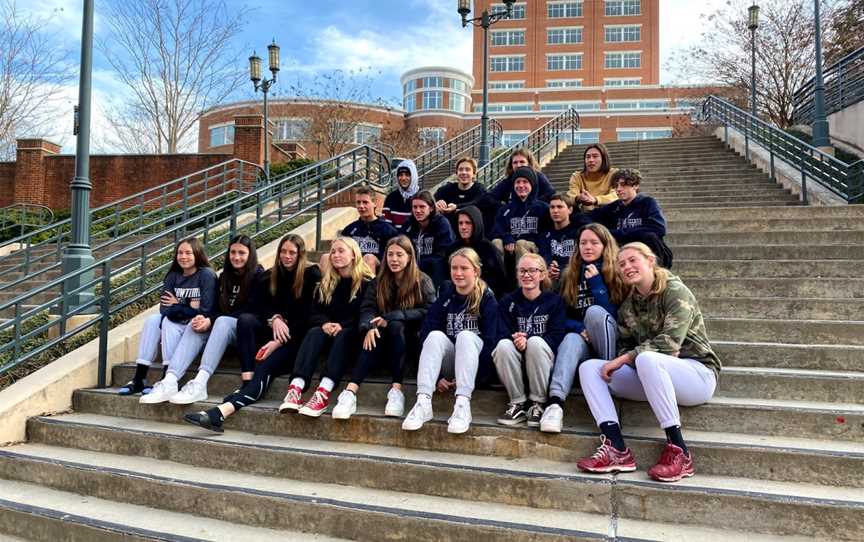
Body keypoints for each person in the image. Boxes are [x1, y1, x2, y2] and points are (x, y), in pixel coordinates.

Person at [576, 242, 721, 482]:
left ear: (650, 261)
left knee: (647, 359)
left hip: (697, 374)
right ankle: (617, 449)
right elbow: (626, 344)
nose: (627, 267)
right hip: (653, 375)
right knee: (590, 368)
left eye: (633, 260)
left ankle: (679, 451)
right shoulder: (629, 305)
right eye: (622, 264)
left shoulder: (675, 291)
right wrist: (639, 356)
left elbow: (670, 342)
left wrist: (633, 357)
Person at [184, 234, 321, 432]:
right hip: (273, 334)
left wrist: (278, 342)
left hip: (296, 341)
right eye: (283, 251)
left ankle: (219, 413)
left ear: (301, 254)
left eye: (292, 252)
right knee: (246, 320)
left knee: (264, 370)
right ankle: (235, 394)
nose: (287, 256)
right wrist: (274, 318)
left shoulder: (312, 274)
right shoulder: (272, 275)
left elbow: (309, 316)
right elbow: (258, 306)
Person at [332, 236, 436, 420]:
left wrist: (399, 315)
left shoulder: (422, 280)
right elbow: (367, 309)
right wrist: (368, 327)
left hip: (409, 340)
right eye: (390, 255)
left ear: (410, 257)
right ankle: (350, 392)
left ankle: (397, 391)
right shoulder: (378, 281)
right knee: (372, 334)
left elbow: (430, 311)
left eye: (399, 255)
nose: (394, 259)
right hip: (382, 339)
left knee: (396, 326)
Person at [539, 223, 626, 433]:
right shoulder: (570, 274)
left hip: (611, 343)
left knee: (595, 313)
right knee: (570, 339)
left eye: (594, 243)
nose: (588, 247)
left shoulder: (617, 272)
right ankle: (555, 403)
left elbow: (614, 315)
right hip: (584, 342)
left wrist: (596, 283)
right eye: (583, 243)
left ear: (606, 246)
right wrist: (578, 328)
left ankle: (607, 382)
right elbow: (559, 317)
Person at [402, 248, 498, 435]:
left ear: (476, 271)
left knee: (466, 336)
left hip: (476, 368)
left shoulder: (488, 300)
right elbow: (426, 333)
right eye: (454, 268)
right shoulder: (446, 298)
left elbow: (491, 343)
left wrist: (473, 379)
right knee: (434, 336)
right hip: (451, 365)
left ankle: (462, 405)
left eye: (464, 268)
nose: (458, 273)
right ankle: (423, 401)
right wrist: (438, 378)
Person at [278, 237, 375, 417]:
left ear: (353, 254)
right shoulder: (327, 282)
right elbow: (313, 312)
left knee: (345, 333)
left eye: (341, 251)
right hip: (328, 333)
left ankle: (323, 392)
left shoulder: (367, 282)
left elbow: (365, 313)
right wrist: (325, 323)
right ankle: (296, 389)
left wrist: (341, 325)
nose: (336, 255)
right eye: (333, 252)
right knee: (314, 331)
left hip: (352, 336)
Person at [166, 235, 265, 405]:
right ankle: (170, 378)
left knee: (221, 321)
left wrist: (213, 320)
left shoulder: (259, 275)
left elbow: (253, 310)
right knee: (196, 323)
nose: (236, 257)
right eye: (233, 252)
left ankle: (200, 383)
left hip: (247, 333)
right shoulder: (224, 276)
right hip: (222, 329)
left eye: (242, 253)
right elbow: (216, 309)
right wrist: (205, 319)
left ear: (251, 255)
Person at [119, 238, 217, 397]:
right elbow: (165, 309)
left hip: (197, 325)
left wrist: (177, 303)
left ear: (197, 254)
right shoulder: (173, 276)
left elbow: (206, 310)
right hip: (177, 320)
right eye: (180, 253)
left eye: (188, 253)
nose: (183, 257)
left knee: (168, 323)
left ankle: (167, 377)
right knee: (153, 321)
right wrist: (189, 305)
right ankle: (139, 378)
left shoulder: (206, 275)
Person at [493, 253, 566, 427]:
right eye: (522, 271)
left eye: (532, 270)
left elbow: (557, 335)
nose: (526, 275)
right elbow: (501, 332)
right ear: (517, 274)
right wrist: (516, 339)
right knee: (503, 345)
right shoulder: (508, 301)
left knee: (535, 342)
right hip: (516, 360)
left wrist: (529, 341)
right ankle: (517, 403)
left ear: (542, 275)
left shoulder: (554, 301)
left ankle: (538, 403)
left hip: (543, 361)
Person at [588, 168, 673, 269]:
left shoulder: (647, 202)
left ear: (636, 185)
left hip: (648, 254)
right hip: (623, 255)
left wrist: (617, 233)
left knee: (650, 237)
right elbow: (585, 217)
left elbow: (659, 228)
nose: (618, 189)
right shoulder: (613, 207)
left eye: (623, 185)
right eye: (616, 186)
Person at [325, 187, 398, 274]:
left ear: (374, 203)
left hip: (379, 270)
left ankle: (368, 287)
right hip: (352, 268)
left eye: (365, 202)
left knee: (369, 258)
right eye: (358, 202)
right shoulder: (350, 230)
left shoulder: (388, 230)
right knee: (325, 257)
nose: (361, 206)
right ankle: (326, 287)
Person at [491, 167, 549, 266]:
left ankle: (525, 279)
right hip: (510, 248)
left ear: (532, 184)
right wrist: (507, 237)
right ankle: (497, 279)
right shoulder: (505, 210)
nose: (521, 185)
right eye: (517, 182)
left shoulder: (542, 208)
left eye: (525, 182)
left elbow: (546, 232)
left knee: (521, 243)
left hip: (532, 248)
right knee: (496, 242)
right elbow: (497, 230)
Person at [445, 205, 507, 299]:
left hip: (483, 297)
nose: (463, 227)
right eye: (460, 223)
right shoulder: (452, 249)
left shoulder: (489, 250)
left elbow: (499, 282)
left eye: (468, 223)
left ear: (476, 224)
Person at [403, 190, 455, 286]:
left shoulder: (441, 224)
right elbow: (401, 245)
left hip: (434, 272)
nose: (418, 211)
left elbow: (442, 255)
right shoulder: (409, 224)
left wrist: (418, 266)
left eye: (422, 207)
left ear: (431, 208)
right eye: (415, 207)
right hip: (412, 270)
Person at [537, 193, 587, 285]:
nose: (555, 211)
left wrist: (562, 269)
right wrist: (550, 266)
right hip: (552, 276)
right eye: (552, 207)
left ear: (570, 210)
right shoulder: (545, 234)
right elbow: (544, 254)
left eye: (560, 207)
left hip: (575, 275)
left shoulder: (580, 232)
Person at [434, 157, 487, 231]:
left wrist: (456, 207)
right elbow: (432, 198)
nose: (464, 172)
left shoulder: (479, 189)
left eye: (467, 170)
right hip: (450, 230)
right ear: (456, 173)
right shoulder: (448, 188)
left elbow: (476, 203)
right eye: (460, 169)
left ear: (474, 174)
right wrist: (437, 202)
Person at [489, 148, 555, 204]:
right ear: (511, 165)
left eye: (522, 162)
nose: (518, 165)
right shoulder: (508, 181)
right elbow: (490, 198)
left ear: (529, 163)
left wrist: (532, 206)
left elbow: (550, 195)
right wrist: (505, 209)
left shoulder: (539, 178)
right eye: (515, 162)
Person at [566, 144, 618, 212]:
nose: (591, 160)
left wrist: (595, 200)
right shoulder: (577, 176)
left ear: (604, 158)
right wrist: (578, 198)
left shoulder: (614, 174)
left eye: (595, 156)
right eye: (588, 157)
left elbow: (616, 195)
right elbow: (571, 197)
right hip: (584, 214)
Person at [382, 159, 420, 232]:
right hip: (395, 241)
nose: (403, 178)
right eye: (400, 175)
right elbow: (387, 225)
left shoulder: (422, 196)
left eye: (407, 175)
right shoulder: (391, 197)